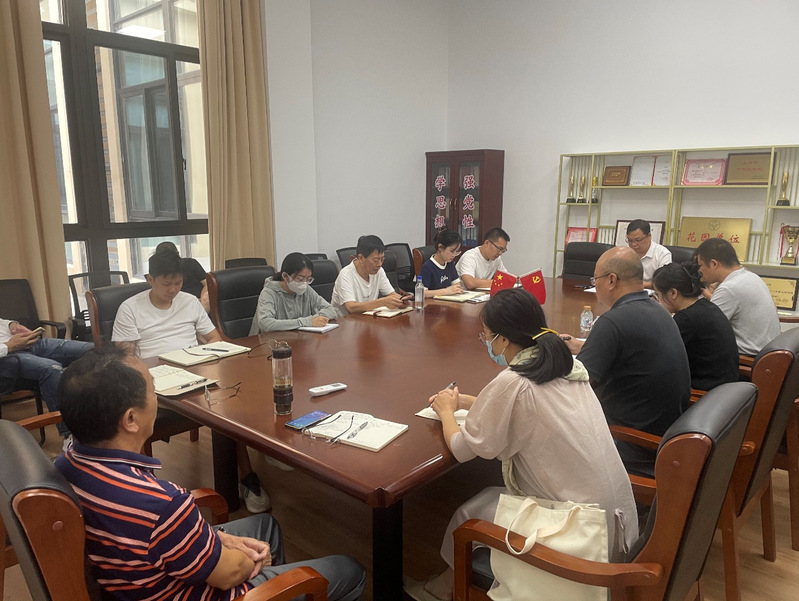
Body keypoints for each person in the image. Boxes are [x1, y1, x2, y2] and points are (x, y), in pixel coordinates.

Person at [55, 345, 365, 601]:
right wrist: (245, 560)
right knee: (349, 569)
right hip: (200, 592)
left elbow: (163, 539)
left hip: (129, 581)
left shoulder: (67, 462)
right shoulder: (161, 504)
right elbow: (229, 573)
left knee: (265, 526)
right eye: (152, 390)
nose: (156, 397)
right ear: (131, 419)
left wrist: (219, 540)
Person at [403, 288, 637, 601]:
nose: (486, 342)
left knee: (468, 516)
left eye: (486, 336)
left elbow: (461, 448)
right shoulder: (565, 366)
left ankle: (442, 590)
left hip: (581, 536)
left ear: (503, 339)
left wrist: (446, 412)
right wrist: (471, 402)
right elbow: (517, 406)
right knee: (488, 497)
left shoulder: (513, 382)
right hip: (617, 524)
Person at [112, 246, 270, 513]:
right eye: (166, 284)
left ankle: (246, 477)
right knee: (219, 406)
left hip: (195, 374)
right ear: (150, 280)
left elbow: (213, 338)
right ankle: (152, 494)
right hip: (155, 382)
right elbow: (125, 359)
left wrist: (214, 357)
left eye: (178, 283)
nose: (173, 289)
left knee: (230, 405)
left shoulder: (189, 301)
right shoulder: (130, 308)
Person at [561, 247, 690, 474]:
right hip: (664, 437)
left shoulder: (613, 321)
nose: (595, 285)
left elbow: (576, 387)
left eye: (595, 279)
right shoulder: (659, 311)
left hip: (630, 444)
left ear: (611, 280)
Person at [0, 319, 92, 444]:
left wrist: (12, 325)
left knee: (92, 350)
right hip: (5, 357)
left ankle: (105, 419)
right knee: (51, 369)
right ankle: (69, 437)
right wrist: (8, 346)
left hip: (26, 344)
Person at [652, 262, 739, 391]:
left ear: (673, 293)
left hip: (706, 390)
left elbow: (661, 357)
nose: (658, 301)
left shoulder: (686, 320)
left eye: (658, 295)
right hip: (725, 386)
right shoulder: (706, 306)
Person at [694, 237, 781, 356]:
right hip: (768, 351)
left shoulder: (729, 288)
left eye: (700, 265)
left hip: (748, 358)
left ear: (714, 264)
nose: (699, 271)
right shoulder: (751, 276)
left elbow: (704, 329)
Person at [249, 252, 337, 333]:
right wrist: (307, 322)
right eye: (300, 279)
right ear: (285, 276)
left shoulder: (306, 290)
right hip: (270, 341)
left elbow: (331, 310)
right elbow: (265, 324)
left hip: (298, 338)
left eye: (308, 279)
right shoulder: (269, 292)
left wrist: (316, 320)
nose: (304, 283)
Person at [330, 235, 409, 315]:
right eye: (375, 260)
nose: (379, 264)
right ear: (361, 258)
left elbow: (392, 294)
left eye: (382, 259)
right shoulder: (345, 275)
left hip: (368, 318)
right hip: (346, 321)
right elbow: (351, 307)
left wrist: (401, 301)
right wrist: (382, 302)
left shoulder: (379, 271)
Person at [155, 241, 210, 312]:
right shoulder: (158, 272)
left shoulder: (190, 263)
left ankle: (199, 316)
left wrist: (202, 298)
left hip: (199, 300)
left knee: (207, 297)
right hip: (178, 302)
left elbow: (207, 283)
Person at [625, 219, 671, 289]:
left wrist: (638, 285)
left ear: (649, 236)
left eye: (638, 240)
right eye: (630, 240)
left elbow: (664, 282)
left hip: (653, 293)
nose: (633, 244)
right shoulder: (625, 253)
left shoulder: (662, 254)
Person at [419, 229, 464, 297]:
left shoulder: (450, 263)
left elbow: (457, 284)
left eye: (457, 252)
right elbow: (422, 293)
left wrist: (455, 289)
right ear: (440, 247)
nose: (454, 255)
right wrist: (446, 291)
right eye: (452, 251)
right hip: (432, 302)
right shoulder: (427, 267)